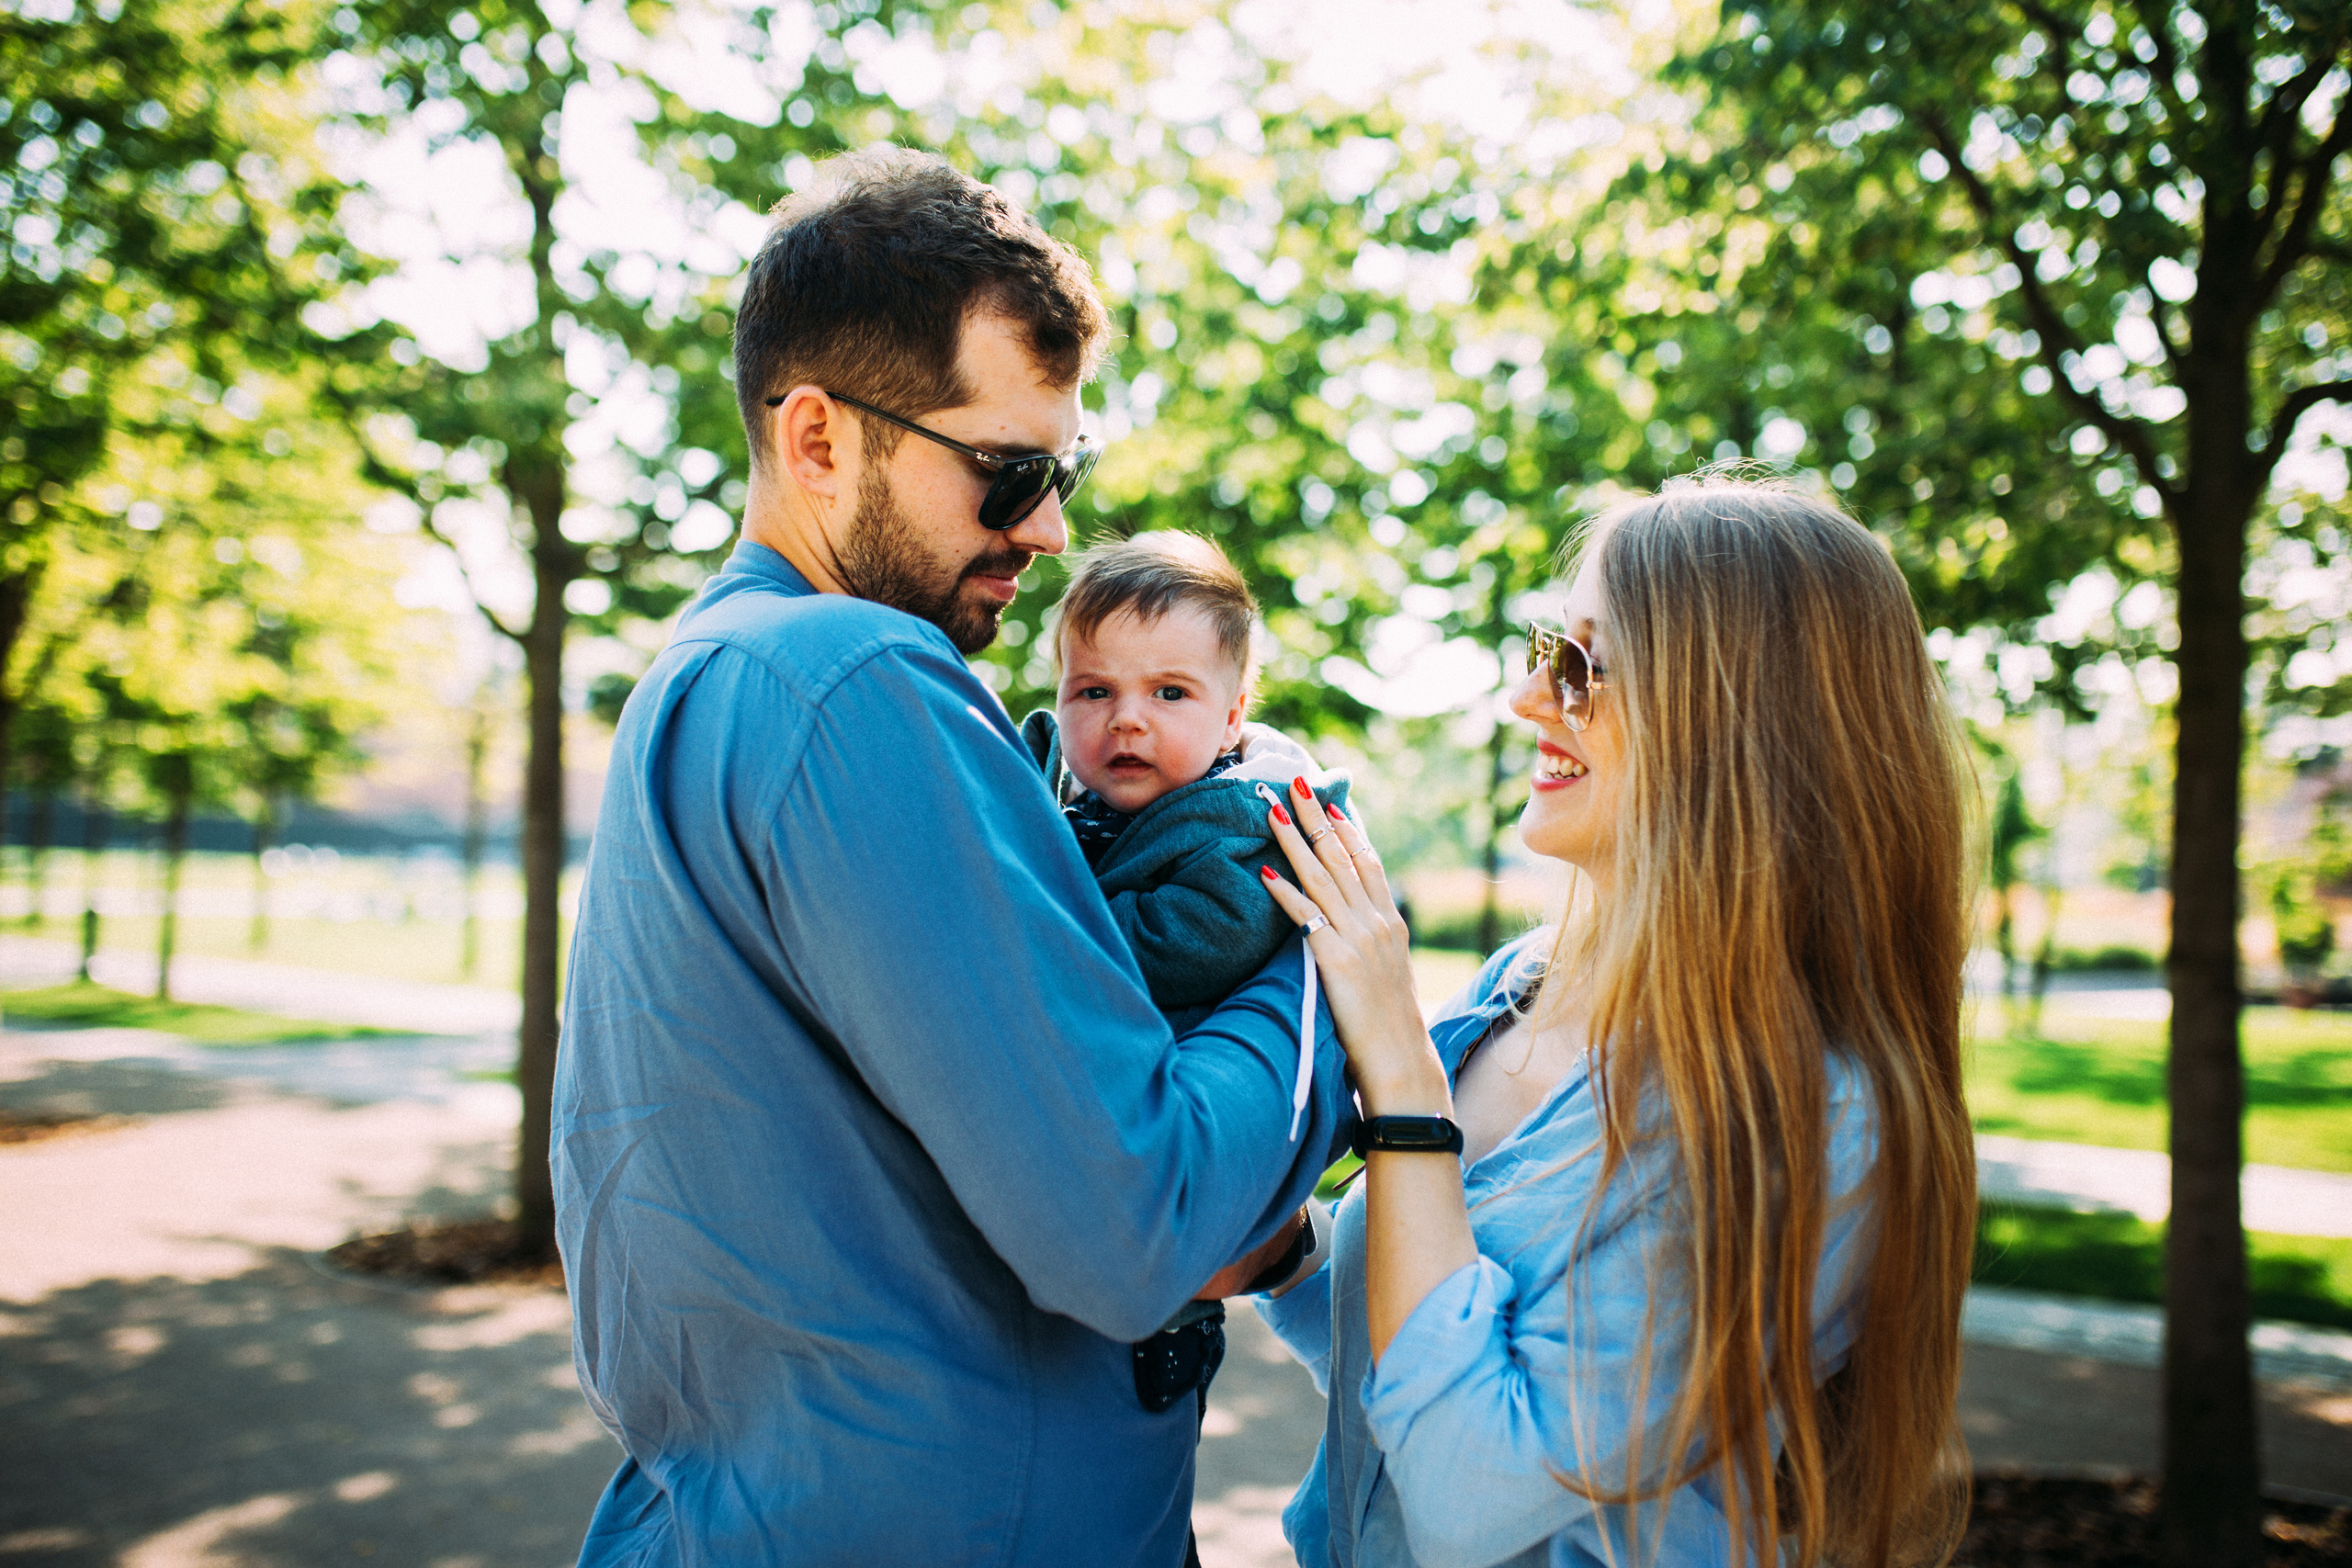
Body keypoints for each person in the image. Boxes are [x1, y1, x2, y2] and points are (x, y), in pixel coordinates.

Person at [551, 147, 1348, 1568]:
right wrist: (1319, 942)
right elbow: (1140, 1220)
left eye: (1061, 471)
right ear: (817, 442)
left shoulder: (706, 676)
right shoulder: (860, 676)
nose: (1048, 526)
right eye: (1006, 472)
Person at [1251, 479, 1978, 1568]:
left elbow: (1466, 1490)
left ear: (1733, 722)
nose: (1529, 698)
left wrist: (1401, 1075)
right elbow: (1408, 1351)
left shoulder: (1812, 1118)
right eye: (1548, 645)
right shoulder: (1519, 985)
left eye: (1583, 667)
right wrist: (1281, 1262)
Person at [1021, 530, 1353, 1415]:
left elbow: (1204, 936)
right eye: (1094, 690)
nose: (1127, 718)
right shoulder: (1075, 808)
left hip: (1180, 1128)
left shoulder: (1240, 820)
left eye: (1170, 692)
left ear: (1234, 713)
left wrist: (1053, 931)